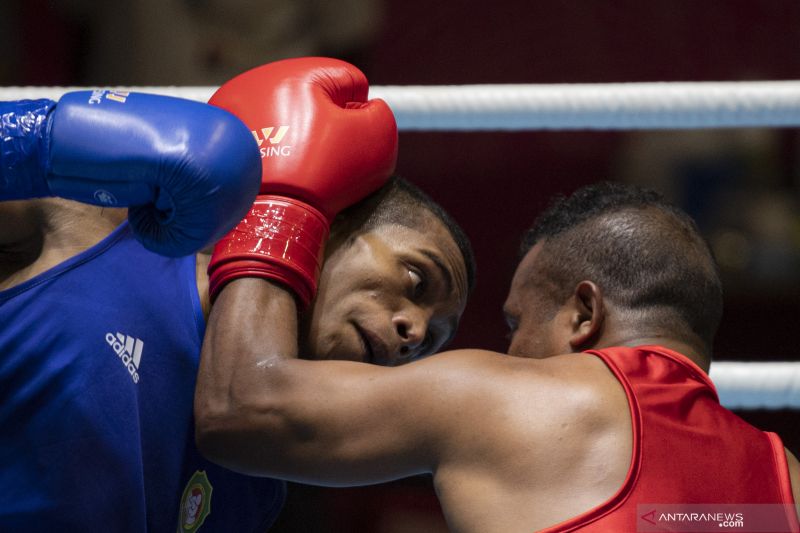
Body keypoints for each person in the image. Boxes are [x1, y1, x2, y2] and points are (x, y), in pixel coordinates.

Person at [0, 58, 475, 531]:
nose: (413, 332)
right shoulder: (101, 225)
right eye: (416, 281)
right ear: (335, 221)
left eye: (430, 342)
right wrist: (38, 138)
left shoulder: (254, 483)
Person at [196, 181, 800, 532]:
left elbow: (239, 408)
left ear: (583, 317)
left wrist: (280, 201)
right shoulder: (788, 479)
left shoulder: (508, 399)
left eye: (517, 322)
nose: (508, 348)